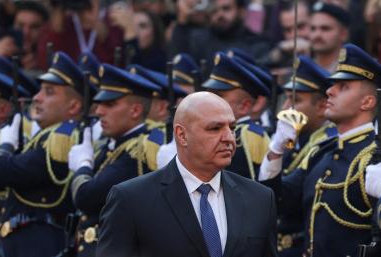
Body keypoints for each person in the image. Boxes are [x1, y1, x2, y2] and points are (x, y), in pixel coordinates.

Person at [97, 91, 277, 257]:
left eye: (232, 127)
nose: (229, 138)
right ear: (181, 135)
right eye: (215, 128)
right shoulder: (132, 199)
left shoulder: (259, 198)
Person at [259, 43, 381, 257]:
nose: (329, 91)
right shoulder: (320, 152)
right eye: (332, 85)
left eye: (343, 87)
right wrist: (276, 151)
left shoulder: (374, 156)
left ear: (367, 101)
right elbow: (278, 202)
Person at [0, 51, 86, 257]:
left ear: (74, 106)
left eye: (49, 92)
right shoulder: (47, 137)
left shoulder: (63, 138)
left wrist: (5, 148)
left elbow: (0, 172)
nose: (37, 97)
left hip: (39, 243)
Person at [69, 63, 162, 257]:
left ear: (135, 111)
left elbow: (86, 197)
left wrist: (83, 166)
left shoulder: (136, 151)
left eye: (109, 105)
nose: (99, 111)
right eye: (100, 104)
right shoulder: (112, 145)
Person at [273, 55, 336, 257]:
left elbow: (286, 197)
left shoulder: (326, 143)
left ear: (321, 106)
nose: (285, 108)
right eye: (286, 99)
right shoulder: (298, 139)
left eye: (295, 100)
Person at [202, 52, 270, 180]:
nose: (210, 100)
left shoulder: (247, 135)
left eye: (219, 95)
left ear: (244, 106)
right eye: (209, 94)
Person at [168, 0, 271, 67]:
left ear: (241, 12)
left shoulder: (257, 44)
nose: (220, 14)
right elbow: (177, 63)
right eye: (214, 10)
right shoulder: (198, 39)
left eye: (226, 9)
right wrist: (182, 20)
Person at [310, 2, 350, 73]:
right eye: (313, 28)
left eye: (325, 28)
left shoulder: (350, 71)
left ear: (343, 34)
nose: (317, 34)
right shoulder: (301, 69)